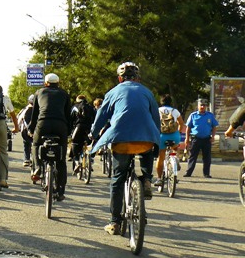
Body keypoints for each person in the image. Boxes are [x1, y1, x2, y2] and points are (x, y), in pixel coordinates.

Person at [90, 62, 160, 235]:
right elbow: (155, 118)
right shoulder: (147, 92)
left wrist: (93, 133)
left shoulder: (113, 92)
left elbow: (101, 117)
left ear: (120, 78)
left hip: (121, 140)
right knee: (147, 149)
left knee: (118, 179)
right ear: (137, 78)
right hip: (145, 139)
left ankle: (115, 222)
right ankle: (147, 180)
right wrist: (155, 136)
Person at [28, 73, 71, 200]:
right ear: (58, 83)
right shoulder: (64, 94)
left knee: (35, 145)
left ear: (46, 83)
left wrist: (31, 129)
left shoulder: (39, 92)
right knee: (61, 159)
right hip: (60, 125)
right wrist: (68, 132)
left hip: (43, 123)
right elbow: (68, 115)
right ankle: (61, 190)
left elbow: (35, 114)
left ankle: (37, 168)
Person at [153, 94, 186, 186]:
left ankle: (159, 179)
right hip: (174, 136)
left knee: (161, 157)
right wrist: (178, 133)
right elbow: (181, 123)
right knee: (175, 149)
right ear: (170, 102)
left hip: (161, 136)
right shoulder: (175, 111)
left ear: (161, 102)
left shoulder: (157, 110)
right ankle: (176, 160)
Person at [183, 98, 218, 178]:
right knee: (192, 156)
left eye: (204, 105)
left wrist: (213, 136)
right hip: (196, 139)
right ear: (198, 106)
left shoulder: (210, 115)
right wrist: (187, 138)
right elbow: (188, 128)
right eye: (201, 105)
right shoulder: (193, 115)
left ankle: (206, 173)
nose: (202, 107)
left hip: (206, 139)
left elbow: (214, 126)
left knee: (207, 157)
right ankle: (188, 172)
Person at [69, 95, 96, 173]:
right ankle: (90, 160)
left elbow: (70, 119)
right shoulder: (91, 108)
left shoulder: (75, 107)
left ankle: (77, 162)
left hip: (79, 128)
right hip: (89, 129)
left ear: (77, 100)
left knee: (75, 143)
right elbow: (95, 119)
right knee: (90, 144)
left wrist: (69, 130)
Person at [17, 95, 34, 167]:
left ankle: (27, 159)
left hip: (26, 131)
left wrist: (17, 128)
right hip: (38, 131)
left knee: (26, 142)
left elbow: (19, 119)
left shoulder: (25, 109)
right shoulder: (41, 109)